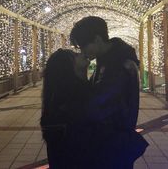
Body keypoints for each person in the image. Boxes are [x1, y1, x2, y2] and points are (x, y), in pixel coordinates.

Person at [70, 16, 149, 168]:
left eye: (84, 46)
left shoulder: (119, 67)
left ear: (97, 39)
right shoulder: (108, 61)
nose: (83, 52)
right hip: (110, 142)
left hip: (112, 146)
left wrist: (80, 73)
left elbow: (95, 107)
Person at [40, 49, 92, 168]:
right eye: (75, 55)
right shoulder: (69, 99)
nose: (81, 53)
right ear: (67, 67)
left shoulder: (61, 95)